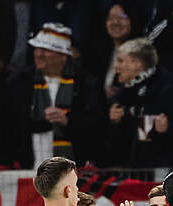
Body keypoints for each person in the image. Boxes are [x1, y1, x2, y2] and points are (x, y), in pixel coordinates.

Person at [8, 23, 103, 168]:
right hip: (30, 165)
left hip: (73, 166)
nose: (39, 54)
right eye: (37, 48)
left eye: (46, 50)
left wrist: (68, 121)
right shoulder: (21, 81)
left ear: (63, 56)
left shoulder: (85, 82)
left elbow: (98, 123)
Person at [103, 38, 173, 168]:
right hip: (133, 169)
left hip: (164, 169)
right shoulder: (123, 93)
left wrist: (167, 129)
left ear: (137, 64)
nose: (115, 66)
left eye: (120, 61)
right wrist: (113, 121)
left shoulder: (168, 89)